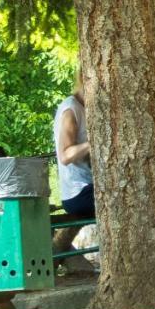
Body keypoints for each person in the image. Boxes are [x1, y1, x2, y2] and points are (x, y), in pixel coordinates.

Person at [53, 74, 94, 218]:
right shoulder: (71, 109)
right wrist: (93, 144)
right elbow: (65, 155)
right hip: (78, 194)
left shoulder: (87, 107)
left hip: (91, 187)